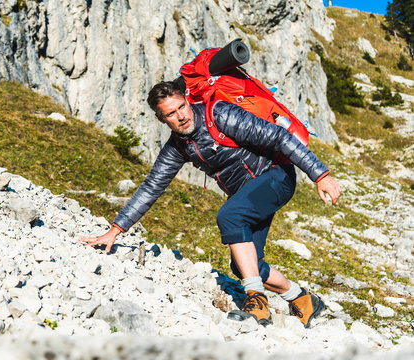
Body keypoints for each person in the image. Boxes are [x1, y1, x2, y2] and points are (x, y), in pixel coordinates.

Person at [80, 81, 341, 328]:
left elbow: (278, 138)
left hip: (275, 175)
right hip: (247, 193)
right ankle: (302, 298)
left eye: (182, 107)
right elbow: (151, 187)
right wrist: (115, 230)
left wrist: (320, 175)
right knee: (244, 266)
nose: (181, 116)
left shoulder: (219, 114)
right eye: (171, 113)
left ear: (187, 101)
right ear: (162, 119)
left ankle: (257, 303)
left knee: (230, 215)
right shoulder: (177, 148)